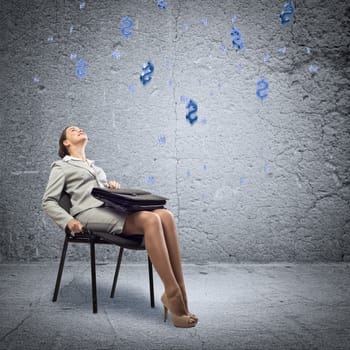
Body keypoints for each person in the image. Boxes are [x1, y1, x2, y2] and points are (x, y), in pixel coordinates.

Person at [42, 126, 198, 328]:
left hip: (109, 210)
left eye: (80, 128)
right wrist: (68, 221)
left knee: (165, 215)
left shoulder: (95, 168)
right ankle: (173, 294)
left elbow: (98, 195)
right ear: (66, 142)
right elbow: (48, 201)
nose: (79, 130)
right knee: (151, 220)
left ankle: (181, 292)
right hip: (87, 214)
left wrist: (110, 189)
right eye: (73, 130)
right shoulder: (61, 167)